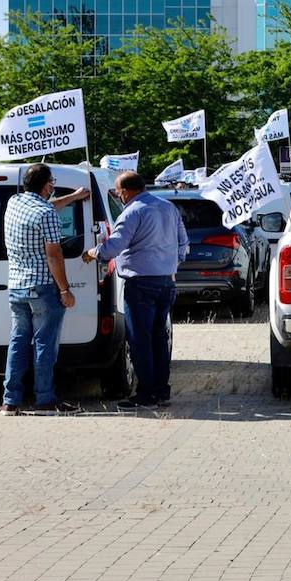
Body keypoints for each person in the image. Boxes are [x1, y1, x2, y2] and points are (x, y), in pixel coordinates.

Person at [83, 171, 188, 411]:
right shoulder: (168, 207)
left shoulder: (132, 212)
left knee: (140, 341)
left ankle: (147, 394)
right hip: (165, 281)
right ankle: (161, 390)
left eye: (119, 192)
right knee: (160, 339)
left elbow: (113, 247)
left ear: (126, 191)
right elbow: (183, 242)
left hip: (141, 284)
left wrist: (91, 253)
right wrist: (172, 264)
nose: (119, 197)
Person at [1, 163, 90, 415]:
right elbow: (54, 254)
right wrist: (65, 290)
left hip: (17, 286)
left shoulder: (14, 202)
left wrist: (73, 197)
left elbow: (44, 208)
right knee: (44, 343)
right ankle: (45, 400)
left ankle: (10, 401)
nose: (53, 186)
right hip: (42, 287)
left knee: (18, 341)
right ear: (47, 185)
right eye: (51, 182)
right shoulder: (47, 214)